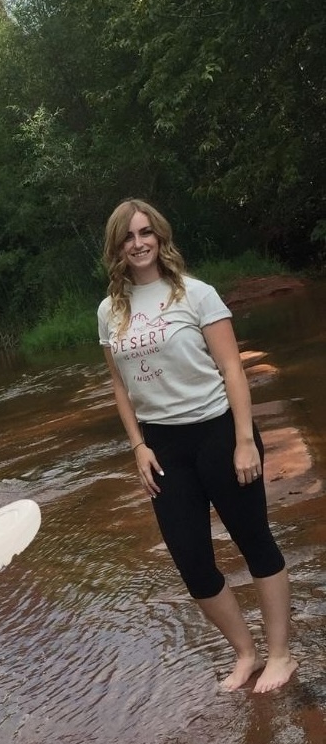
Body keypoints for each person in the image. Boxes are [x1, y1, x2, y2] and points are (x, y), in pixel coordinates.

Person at [97, 198, 297, 693]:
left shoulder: (196, 294)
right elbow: (121, 387)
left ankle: (280, 655)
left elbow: (232, 369)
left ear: (160, 237)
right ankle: (245, 653)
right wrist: (138, 447)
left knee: (254, 543)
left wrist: (245, 440)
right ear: (117, 247)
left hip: (217, 432)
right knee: (192, 560)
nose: (139, 243)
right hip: (163, 447)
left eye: (146, 233)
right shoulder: (109, 311)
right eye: (128, 236)